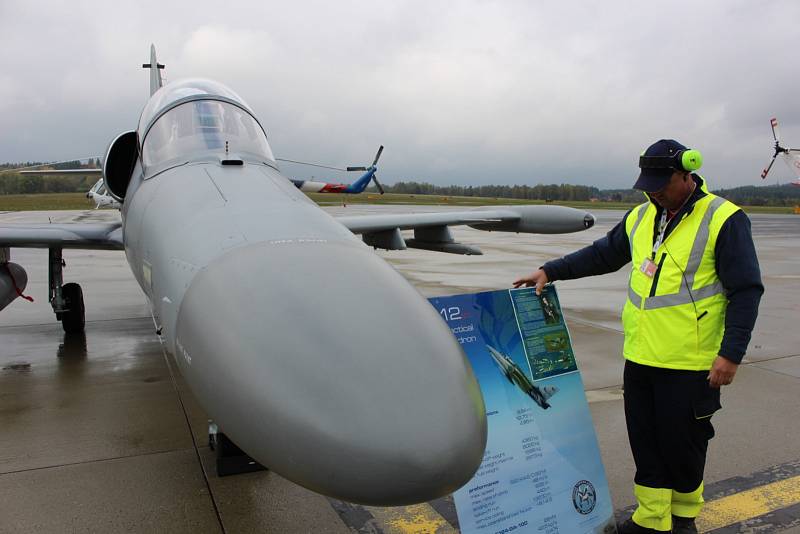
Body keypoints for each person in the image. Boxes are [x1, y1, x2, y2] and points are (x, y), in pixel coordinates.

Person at [513, 139, 763, 534]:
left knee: (684, 447)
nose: (655, 192)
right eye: (648, 185)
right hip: (642, 357)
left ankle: (682, 521)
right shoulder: (643, 216)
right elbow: (603, 254)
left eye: (662, 184)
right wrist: (551, 270)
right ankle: (651, 521)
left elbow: (746, 289)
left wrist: (731, 353)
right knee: (646, 444)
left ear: (687, 173)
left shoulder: (724, 219)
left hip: (690, 362)